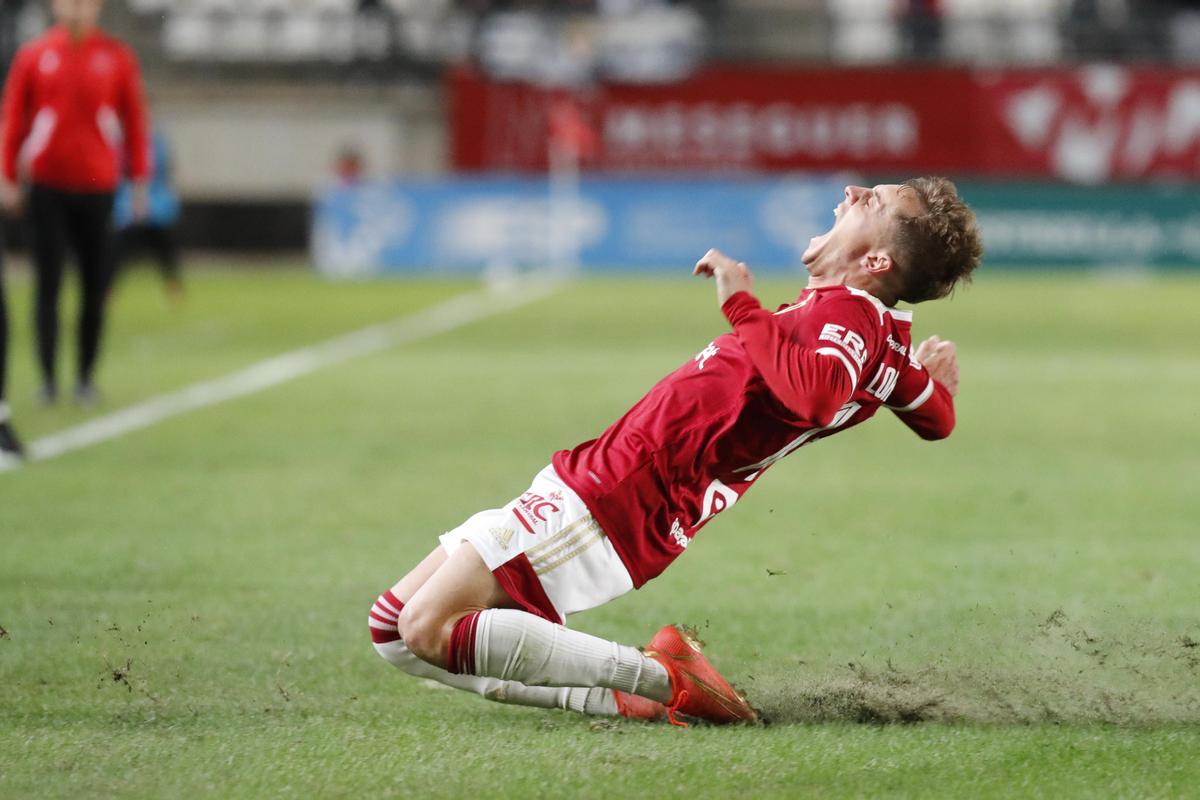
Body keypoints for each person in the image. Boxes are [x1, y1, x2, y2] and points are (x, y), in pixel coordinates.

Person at [368, 178, 983, 726]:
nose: (852, 192)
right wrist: (930, 385)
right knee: (391, 630)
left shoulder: (847, 318)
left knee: (427, 629)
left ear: (876, 258)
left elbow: (816, 397)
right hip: (612, 481)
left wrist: (742, 304)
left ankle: (662, 678)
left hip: (620, 496)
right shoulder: (869, 334)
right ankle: (608, 700)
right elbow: (937, 418)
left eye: (872, 200)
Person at [0, 0, 149, 406]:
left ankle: (85, 376)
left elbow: (134, 119)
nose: (77, 9)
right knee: (47, 283)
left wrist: (138, 180)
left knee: (94, 283)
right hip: (48, 185)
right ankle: (48, 378)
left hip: (99, 187)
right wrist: (8, 176)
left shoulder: (116, 57)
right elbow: (14, 117)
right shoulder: (34, 55)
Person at [111, 125, 182, 303]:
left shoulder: (156, 142)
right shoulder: (122, 143)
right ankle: (109, 288)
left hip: (156, 203)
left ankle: (173, 286)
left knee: (164, 248)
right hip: (127, 202)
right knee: (118, 248)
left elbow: (165, 169)